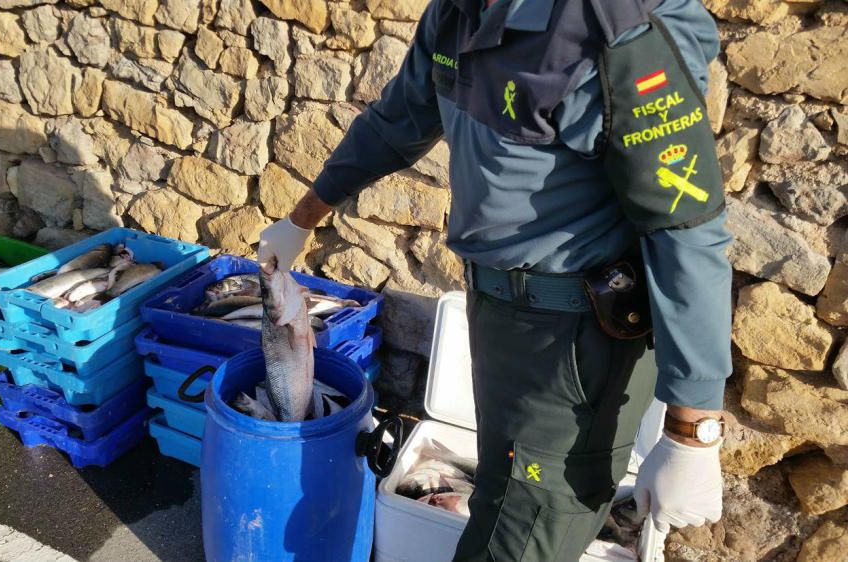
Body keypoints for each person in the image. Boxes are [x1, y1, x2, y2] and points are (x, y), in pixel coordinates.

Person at [258, 0, 732, 559]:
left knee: (519, 538)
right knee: (500, 500)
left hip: (572, 346)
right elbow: (397, 123)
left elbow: (685, 227)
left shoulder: (616, 30)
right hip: (498, 319)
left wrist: (691, 428)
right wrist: (302, 218)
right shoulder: (458, 13)